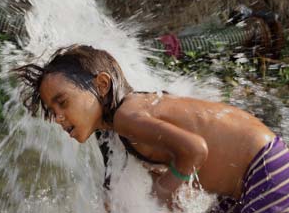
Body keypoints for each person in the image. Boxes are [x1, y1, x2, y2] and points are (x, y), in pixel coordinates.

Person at [14, 44, 289, 212]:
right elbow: (111, 197)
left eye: (63, 102)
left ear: (101, 85)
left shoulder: (128, 117)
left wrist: (163, 192)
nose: (58, 117)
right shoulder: (116, 135)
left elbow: (195, 150)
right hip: (254, 177)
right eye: (52, 111)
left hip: (265, 169)